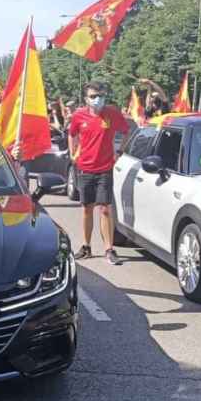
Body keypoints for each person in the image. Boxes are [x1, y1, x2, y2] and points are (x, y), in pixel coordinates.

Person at [68, 81, 129, 265]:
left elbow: (126, 131)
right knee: (87, 208)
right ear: (86, 99)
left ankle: (109, 249)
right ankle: (86, 247)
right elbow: (72, 134)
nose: (98, 99)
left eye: (101, 95)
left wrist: (119, 152)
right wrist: (73, 154)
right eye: (93, 96)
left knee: (105, 209)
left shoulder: (111, 113)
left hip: (105, 169)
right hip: (85, 168)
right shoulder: (79, 116)